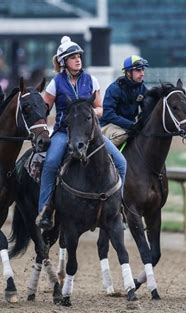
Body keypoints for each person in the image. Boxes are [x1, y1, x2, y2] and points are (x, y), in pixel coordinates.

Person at [36, 36, 127, 230]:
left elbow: (100, 108)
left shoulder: (91, 80)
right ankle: (44, 210)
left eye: (79, 56)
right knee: (51, 163)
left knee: (121, 162)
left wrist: (88, 113)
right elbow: (43, 109)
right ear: (63, 62)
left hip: (90, 134)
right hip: (63, 133)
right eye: (72, 57)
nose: (78, 60)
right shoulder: (55, 83)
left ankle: (120, 207)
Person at [100, 55, 149, 146]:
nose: (142, 73)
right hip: (108, 125)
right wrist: (131, 125)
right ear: (128, 73)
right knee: (122, 135)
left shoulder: (142, 88)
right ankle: (100, 157)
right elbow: (108, 114)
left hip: (128, 125)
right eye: (138, 70)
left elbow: (148, 109)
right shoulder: (114, 89)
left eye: (143, 70)